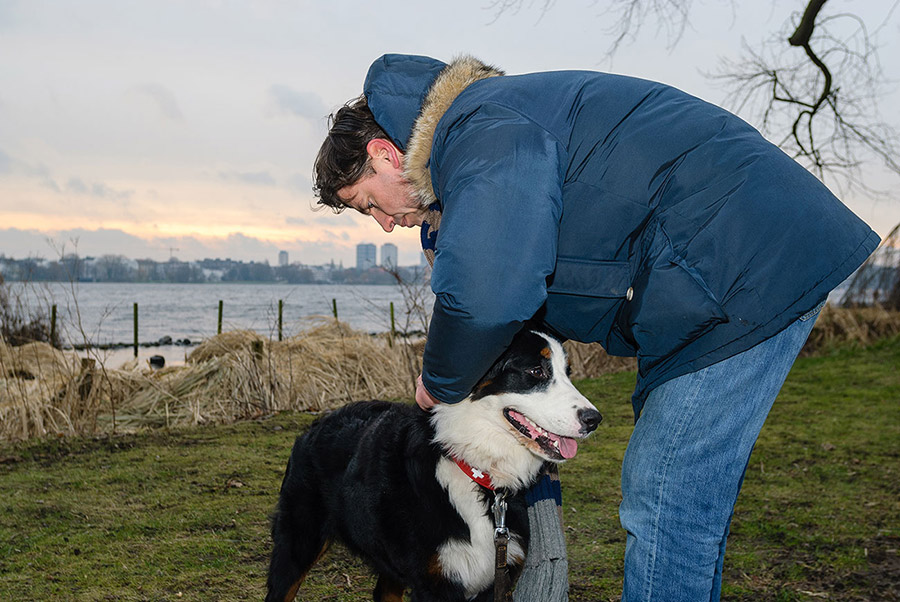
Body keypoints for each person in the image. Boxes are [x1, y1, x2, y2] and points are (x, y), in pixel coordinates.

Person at [312, 54, 879, 602]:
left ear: (385, 153)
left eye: (368, 205)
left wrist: (438, 381)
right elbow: (531, 296)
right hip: (711, 274)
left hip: (740, 262)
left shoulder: (476, 129)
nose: (386, 224)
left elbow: (492, 288)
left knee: (666, 499)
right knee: (683, 506)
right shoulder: (480, 143)